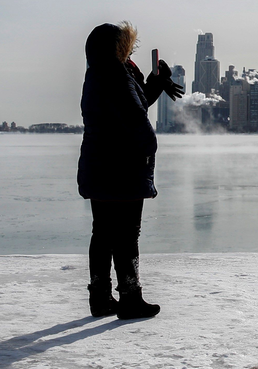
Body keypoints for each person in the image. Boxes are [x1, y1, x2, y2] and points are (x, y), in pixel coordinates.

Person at [77, 22, 183, 320]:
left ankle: (100, 298)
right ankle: (130, 298)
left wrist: (155, 85)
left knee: (102, 232)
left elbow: (128, 105)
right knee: (126, 235)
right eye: (127, 46)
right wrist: (148, 153)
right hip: (123, 168)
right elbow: (136, 118)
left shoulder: (97, 74)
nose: (131, 50)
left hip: (98, 166)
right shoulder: (118, 76)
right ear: (118, 47)